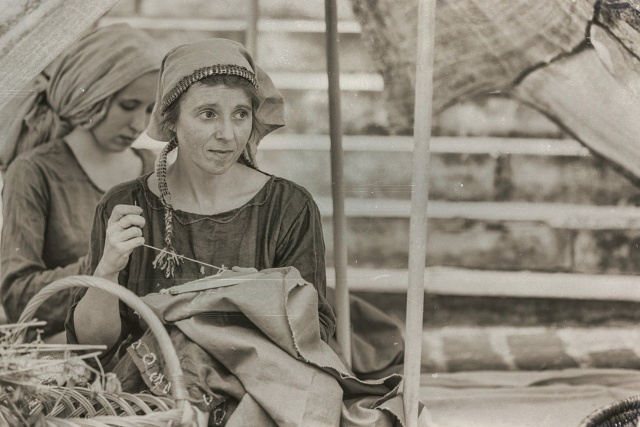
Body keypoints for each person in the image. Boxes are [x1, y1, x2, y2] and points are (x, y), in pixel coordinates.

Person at [0, 23, 161, 339]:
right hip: (66, 353)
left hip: (146, 340)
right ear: (91, 97)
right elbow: (18, 298)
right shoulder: (33, 171)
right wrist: (104, 265)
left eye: (149, 110)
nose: (138, 124)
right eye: (127, 106)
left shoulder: (153, 170)